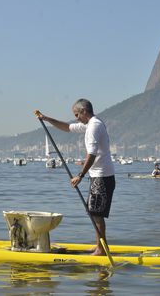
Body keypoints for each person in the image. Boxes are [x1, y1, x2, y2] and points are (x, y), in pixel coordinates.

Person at [34, 99, 115, 256]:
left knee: (96, 213)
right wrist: (47, 119)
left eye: (77, 114)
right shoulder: (90, 124)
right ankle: (100, 245)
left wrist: (80, 175)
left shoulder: (93, 127)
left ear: (84, 111)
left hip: (101, 177)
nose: (76, 118)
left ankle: (101, 249)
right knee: (93, 212)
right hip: (100, 175)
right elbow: (67, 127)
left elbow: (92, 154)